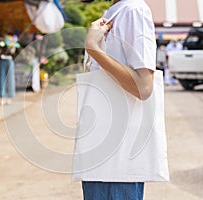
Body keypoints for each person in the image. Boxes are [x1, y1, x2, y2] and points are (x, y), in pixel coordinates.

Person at [76, 0, 165, 199]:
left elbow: (144, 86)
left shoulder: (134, 11)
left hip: (116, 158)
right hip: (102, 152)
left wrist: (94, 49)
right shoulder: (116, 12)